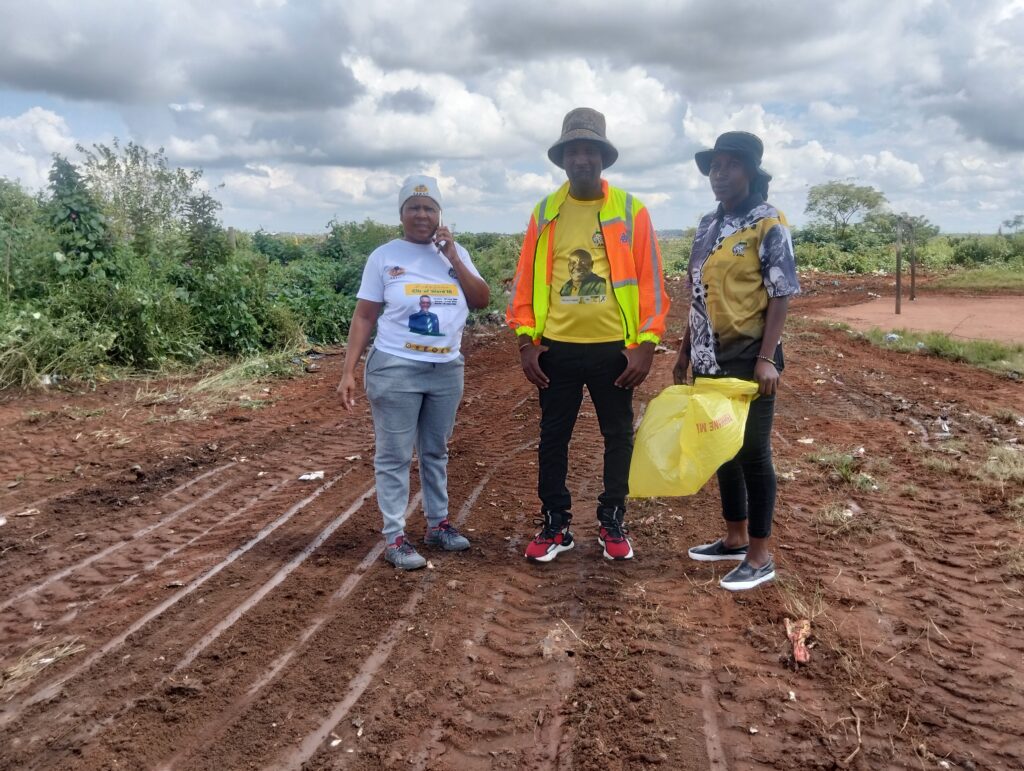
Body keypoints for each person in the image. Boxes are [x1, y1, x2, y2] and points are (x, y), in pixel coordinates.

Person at [507, 107, 670, 562]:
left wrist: (646, 346)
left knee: (618, 436)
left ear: (602, 157)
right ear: (563, 159)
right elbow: (525, 282)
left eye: (590, 150)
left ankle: (612, 518)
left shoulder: (631, 212)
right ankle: (556, 524)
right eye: (573, 150)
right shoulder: (545, 213)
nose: (582, 158)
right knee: (552, 438)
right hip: (555, 350)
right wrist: (526, 342)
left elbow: (652, 282)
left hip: (615, 352)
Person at [338, 175, 490, 570]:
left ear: (440, 213)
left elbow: (481, 300)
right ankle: (395, 536)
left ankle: (438, 524)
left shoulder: (456, 254)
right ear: (402, 214)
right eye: (413, 207)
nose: (421, 214)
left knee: (435, 451)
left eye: (429, 208)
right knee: (394, 455)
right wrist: (349, 371)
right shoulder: (384, 256)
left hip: (445, 368)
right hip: (395, 368)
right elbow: (364, 315)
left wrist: (453, 257)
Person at [674, 131, 800, 591]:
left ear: (750, 170)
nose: (718, 175)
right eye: (713, 166)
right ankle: (733, 537)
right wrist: (686, 349)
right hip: (709, 358)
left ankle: (760, 555)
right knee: (721, 448)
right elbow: (698, 294)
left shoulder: (769, 222)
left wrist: (768, 357)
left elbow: (781, 292)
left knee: (752, 453)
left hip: (750, 359)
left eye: (729, 165)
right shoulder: (708, 225)